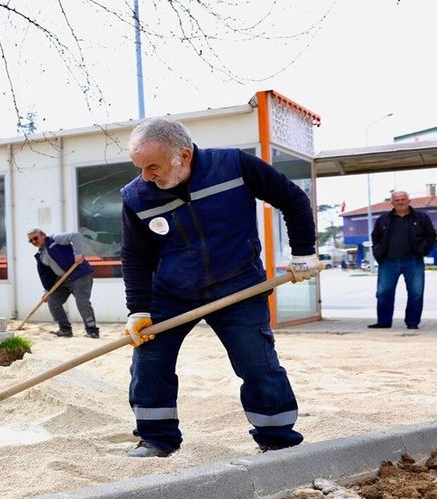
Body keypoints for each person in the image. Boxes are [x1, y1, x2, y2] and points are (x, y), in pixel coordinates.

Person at [120, 118, 319, 457]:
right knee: (149, 364)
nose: (145, 176)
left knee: (257, 364)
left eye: (152, 166)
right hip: (170, 293)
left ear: (182, 155)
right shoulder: (136, 196)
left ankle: (276, 437)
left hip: (238, 286)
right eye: (139, 167)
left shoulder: (234, 165)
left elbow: (292, 198)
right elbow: (135, 256)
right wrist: (138, 309)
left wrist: (303, 253)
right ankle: (156, 438)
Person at [367, 190, 436, 330]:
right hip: (388, 261)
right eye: (397, 200)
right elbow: (375, 236)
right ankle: (384, 322)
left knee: (416, 292)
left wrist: (424, 251)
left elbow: (431, 235)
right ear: (392, 202)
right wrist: (378, 252)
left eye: (403, 199)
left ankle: (412, 323)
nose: (400, 202)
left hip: (413, 261)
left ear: (409, 201)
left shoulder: (421, 218)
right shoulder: (383, 219)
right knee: (383, 292)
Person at [27, 228, 100, 338]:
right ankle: (65, 329)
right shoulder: (41, 256)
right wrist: (47, 291)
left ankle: (92, 330)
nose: (34, 241)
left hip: (80, 275)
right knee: (53, 302)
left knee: (82, 302)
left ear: (43, 235)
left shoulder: (55, 239)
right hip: (64, 281)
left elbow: (76, 235)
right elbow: (47, 276)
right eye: (31, 240)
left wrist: (78, 254)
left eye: (35, 238)